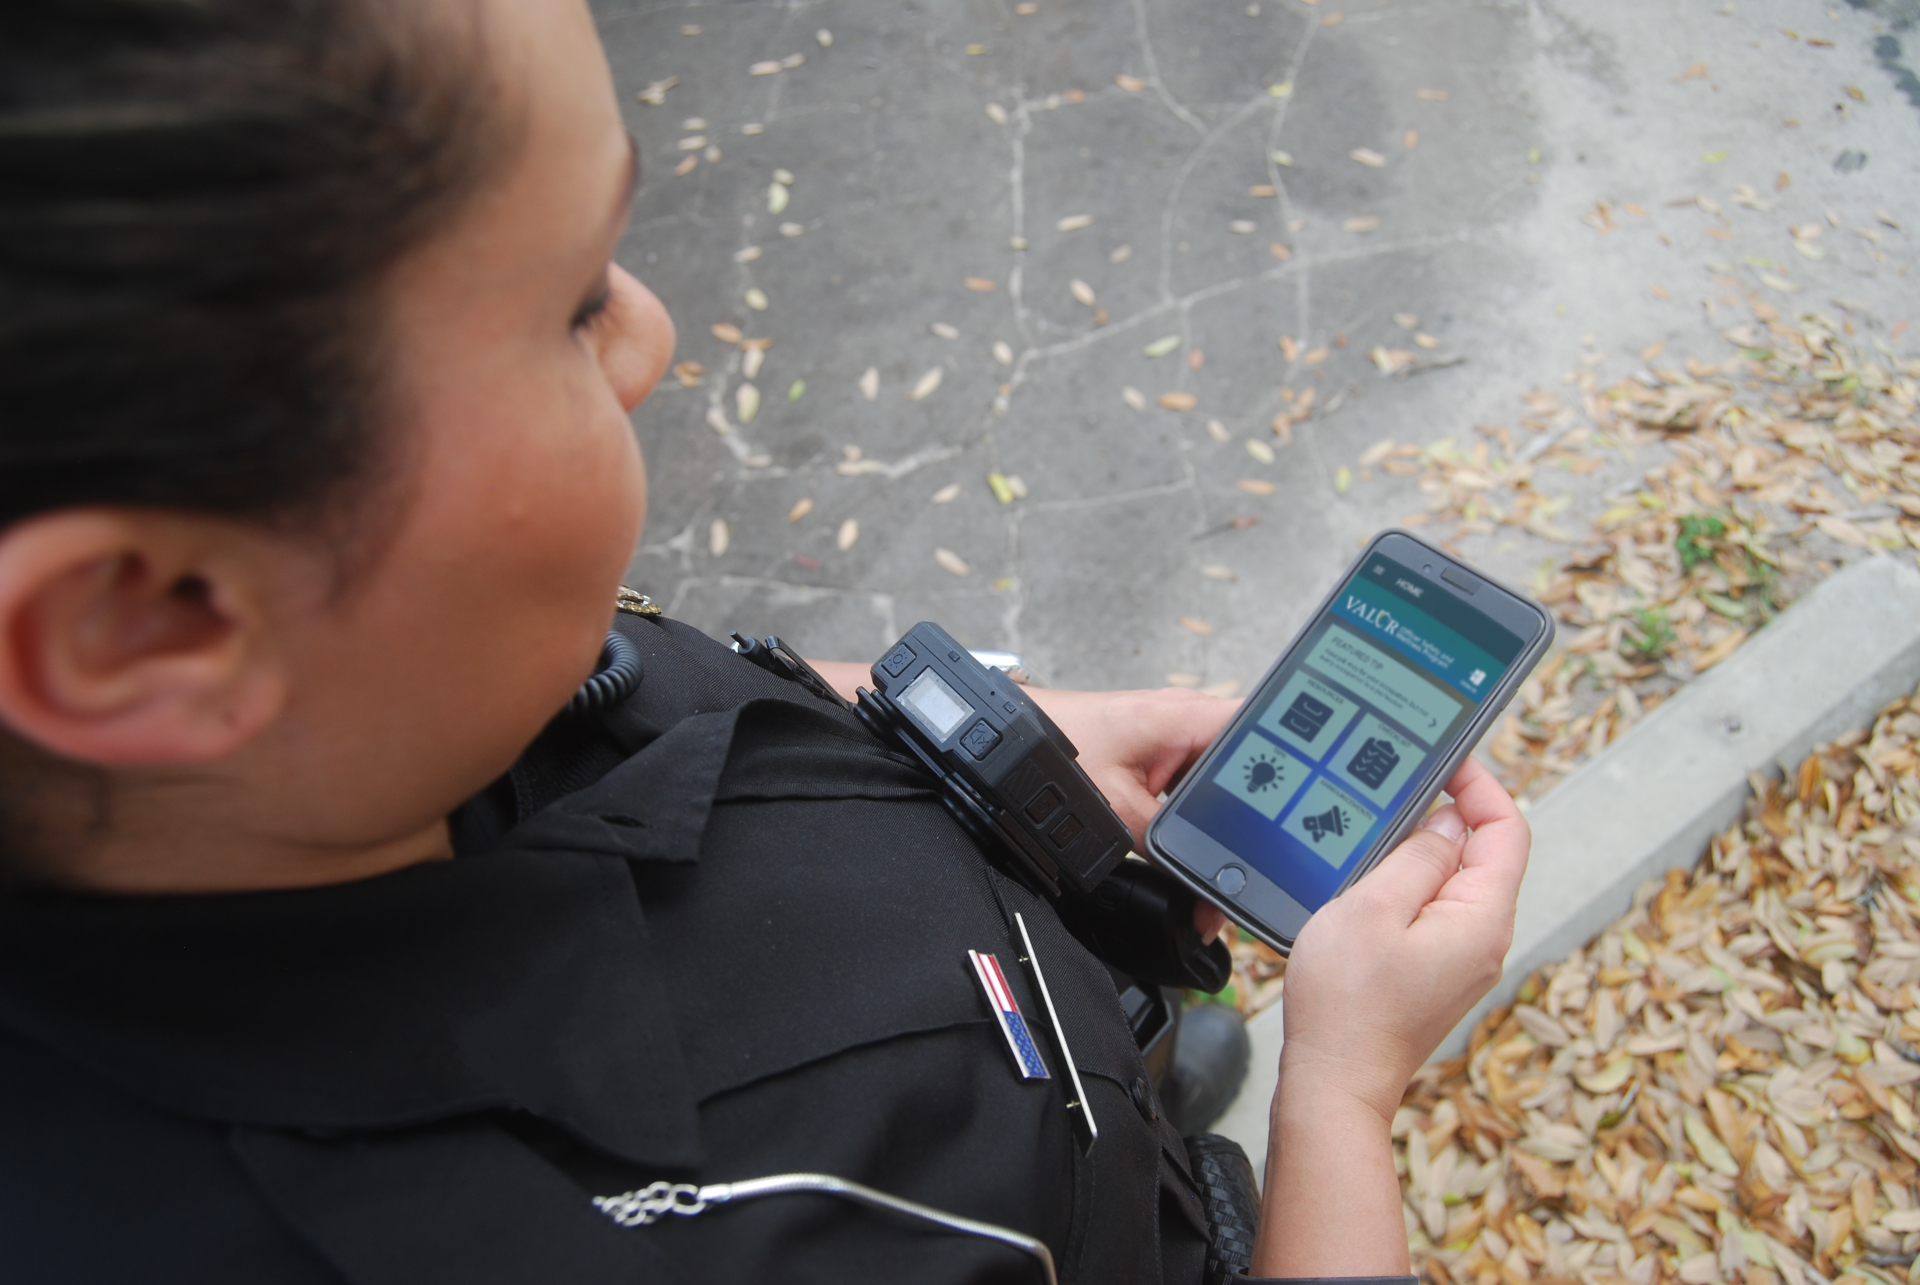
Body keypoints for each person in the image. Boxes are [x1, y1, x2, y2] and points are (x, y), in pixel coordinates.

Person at [0, 0, 1530, 1281]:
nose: (652, 334)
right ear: (153, 625)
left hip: (1026, 1037)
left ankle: (1121, 1066)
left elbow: (680, 680)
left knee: (1144, 1057)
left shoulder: (388, 684)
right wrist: (1339, 1094)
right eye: (575, 299)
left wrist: (1012, 739)